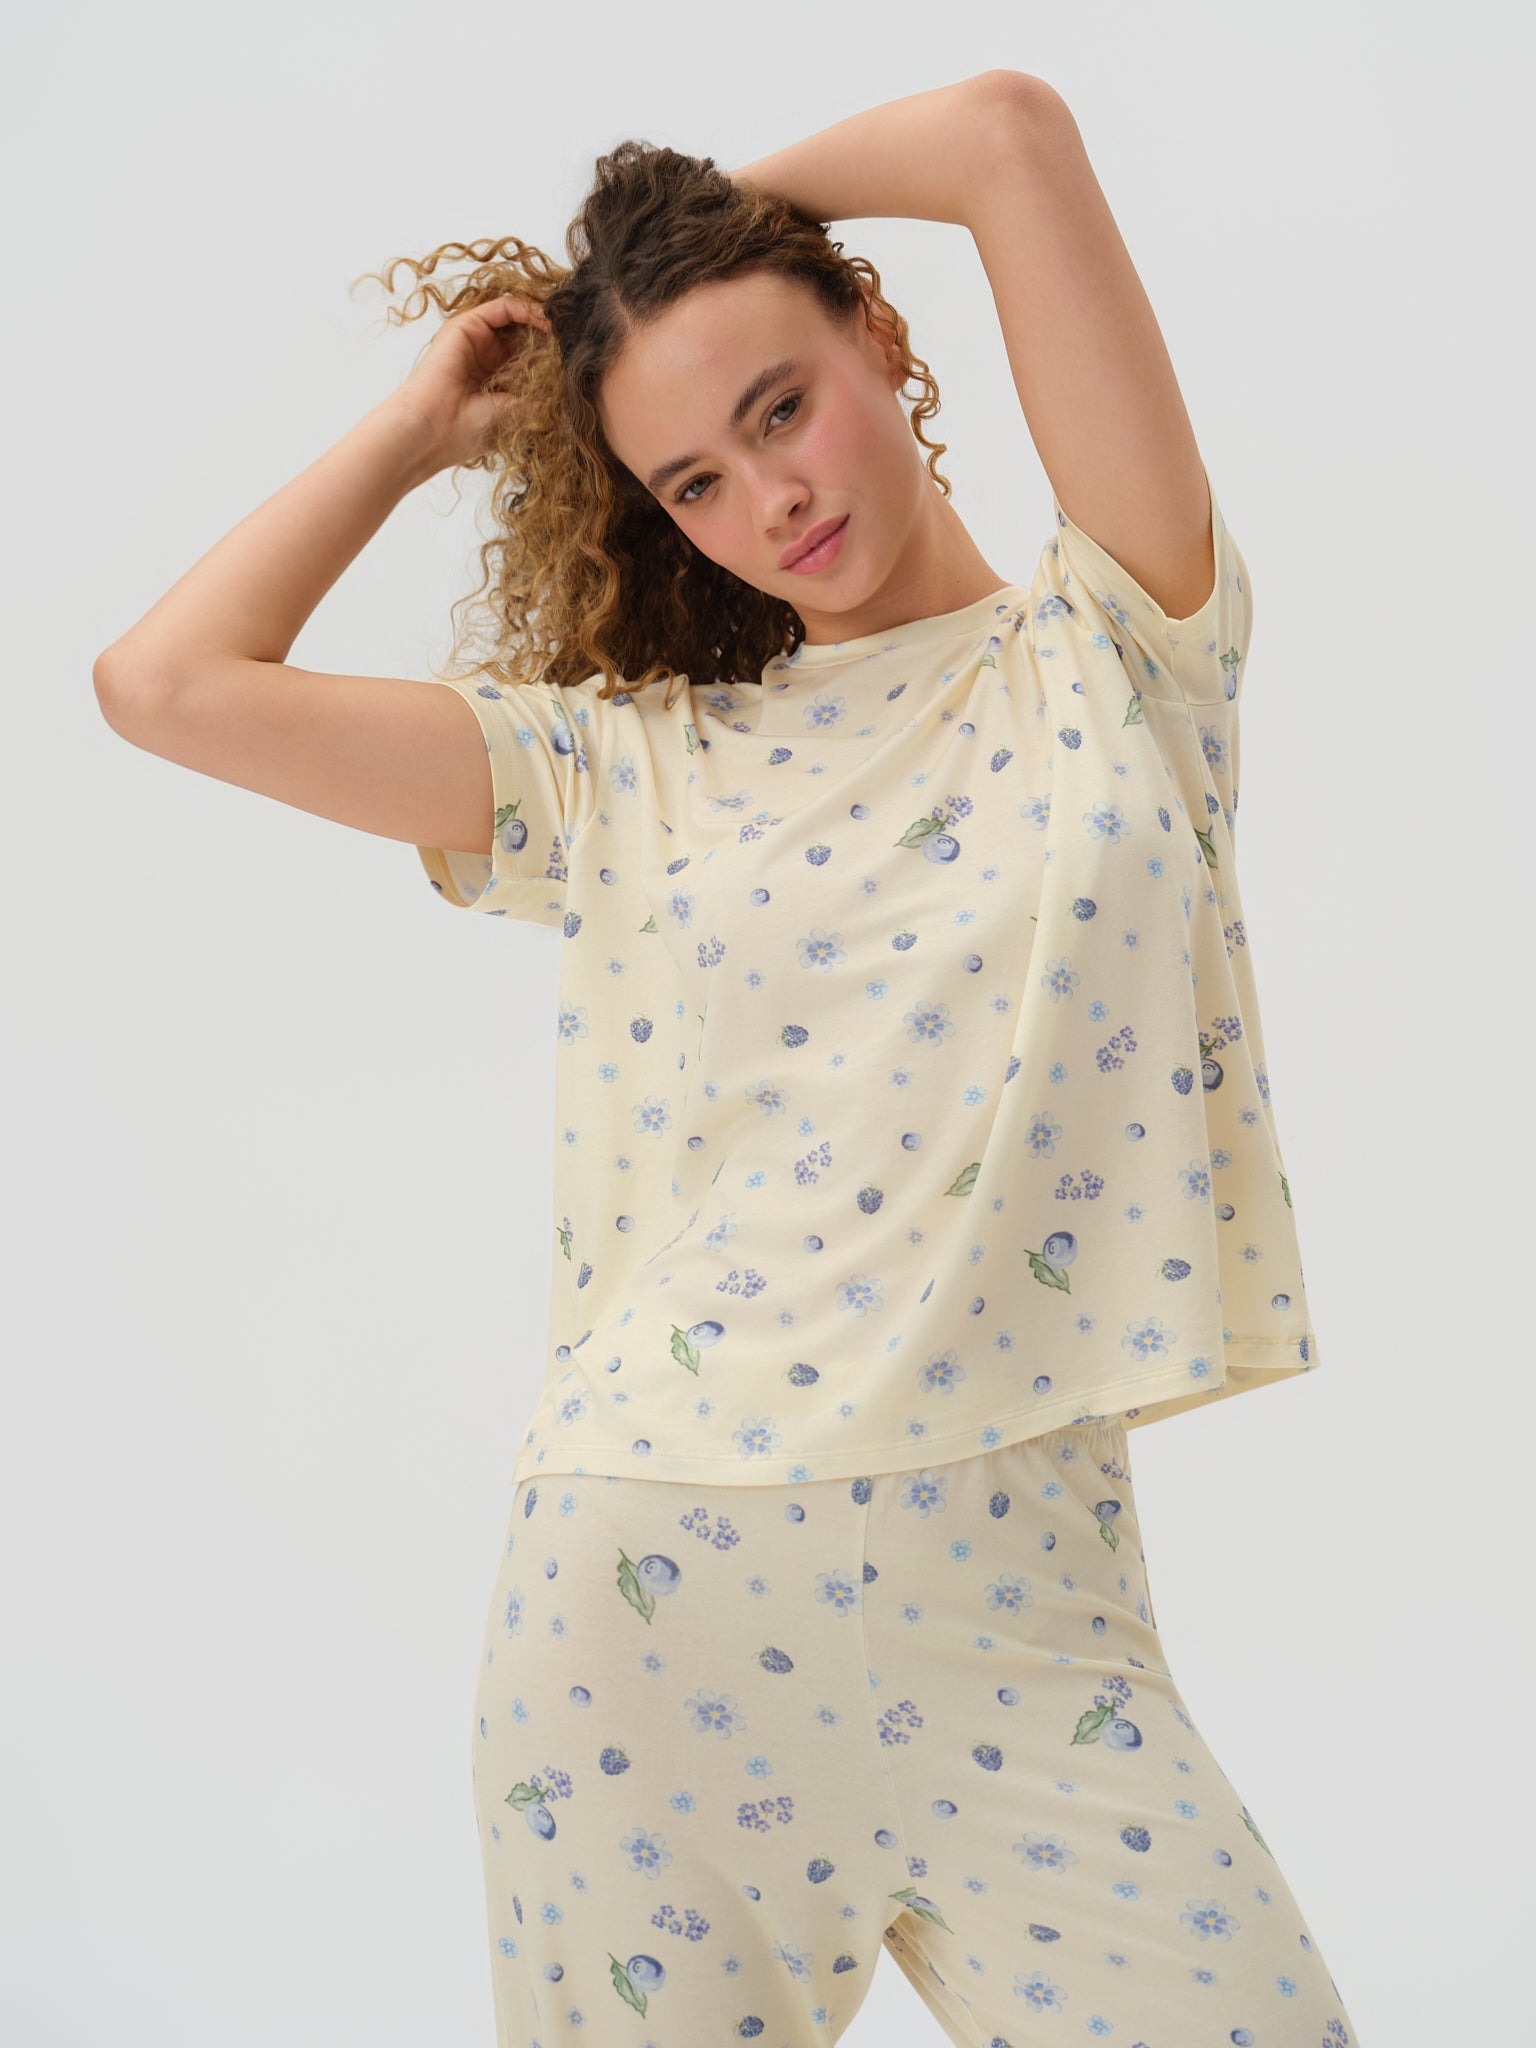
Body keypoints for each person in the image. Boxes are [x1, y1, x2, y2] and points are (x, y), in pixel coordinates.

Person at [94, 71, 1360, 2048]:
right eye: (689, 477)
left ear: (880, 332)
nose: (769, 496)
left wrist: (667, 254)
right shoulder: (624, 768)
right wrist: (428, 427)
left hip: (1031, 1622)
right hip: (650, 1606)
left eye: (780, 404)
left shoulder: (1121, 650)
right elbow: (168, 686)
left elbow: (1007, 135)